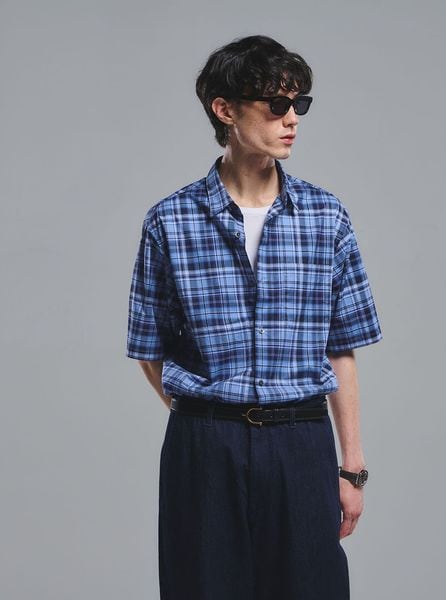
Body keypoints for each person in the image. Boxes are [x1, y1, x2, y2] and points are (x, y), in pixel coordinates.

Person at [126, 34, 382, 600]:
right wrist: (207, 417)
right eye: (276, 104)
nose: (292, 119)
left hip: (302, 442)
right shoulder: (171, 220)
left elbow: (341, 347)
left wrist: (352, 467)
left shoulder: (326, 216)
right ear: (225, 109)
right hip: (204, 447)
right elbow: (149, 345)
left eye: (299, 104)